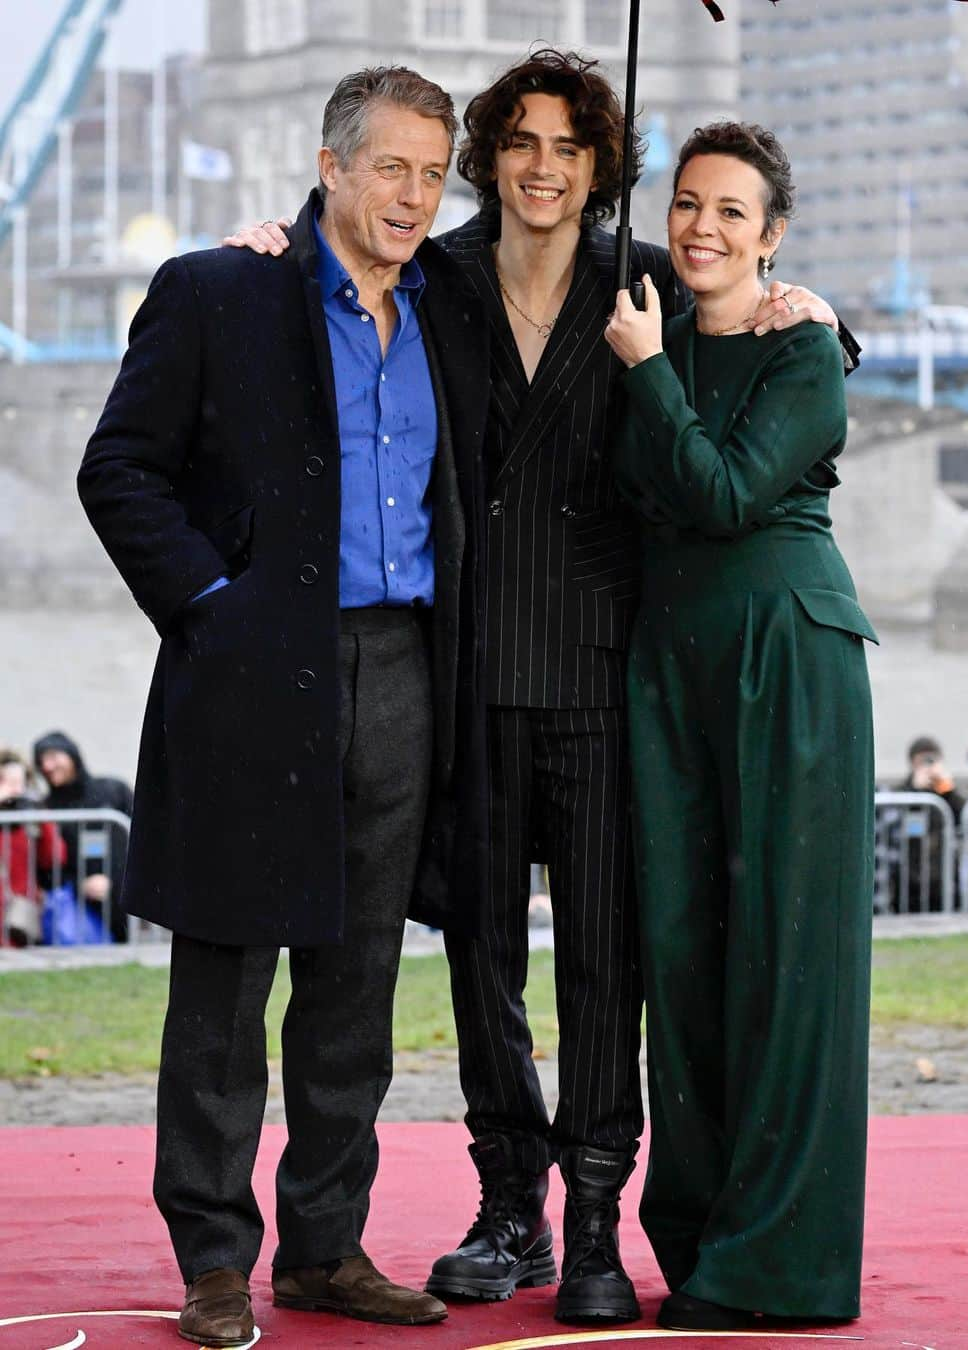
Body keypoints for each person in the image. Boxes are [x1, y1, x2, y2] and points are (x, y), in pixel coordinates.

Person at [227, 50, 855, 1326]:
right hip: (467, 661)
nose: (544, 165)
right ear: (493, 157)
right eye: (520, 139)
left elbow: (742, 336)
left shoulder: (646, 278)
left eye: (570, 144)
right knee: (481, 959)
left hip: (605, 666)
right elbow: (338, 274)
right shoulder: (440, 275)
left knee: (607, 966)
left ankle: (594, 1224)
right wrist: (271, 249)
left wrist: (829, 310)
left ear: (596, 162)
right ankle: (506, 1201)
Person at [78, 67, 489, 1347]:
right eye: (390, 168)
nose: (414, 195)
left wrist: (785, 298)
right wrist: (212, 602)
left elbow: (582, 266)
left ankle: (324, 1249)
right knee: (223, 980)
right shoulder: (220, 289)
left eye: (433, 173)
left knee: (356, 985)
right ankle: (213, 1260)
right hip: (254, 675)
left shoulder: (452, 309)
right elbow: (120, 470)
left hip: (405, 674)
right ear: (330, 165)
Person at [604, 121, 877, 1332]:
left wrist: (651, 372)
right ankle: (705, 1232)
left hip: (787, 659)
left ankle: (784, 1265)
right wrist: (298, 224)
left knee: (788, 958)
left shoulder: (802, 344)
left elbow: (720, 493)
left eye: (731, 212)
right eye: (687, 206)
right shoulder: (639, 308)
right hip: (668, 668)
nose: (702, 227)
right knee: (686, 956)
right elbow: (510, 241)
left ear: (773, 237)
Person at [32, 730, 132, 942]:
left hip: (125, 895)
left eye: (52, 757)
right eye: (42, 761)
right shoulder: (46, 808)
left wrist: (117, 880)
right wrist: (81, 885)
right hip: (81, 906)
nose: (47, 766)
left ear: (71, 755)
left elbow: (140, 839)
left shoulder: (113, 790)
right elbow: (47, 866)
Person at [0, 749, 66, 947]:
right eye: (5, 781)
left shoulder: (30, 818)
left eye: (18, 782)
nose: (14, 789)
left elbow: (55, 858)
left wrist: (40, 817)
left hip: (18, 913)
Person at [894, 735, 965, 912]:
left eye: (932, 759)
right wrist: (915, 790)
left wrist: (949, 790)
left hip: (943, 874)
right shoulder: (901, 791)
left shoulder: (945, 790)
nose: (928, 765)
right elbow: (894, 822)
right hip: (910, 875)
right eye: (922, 760)